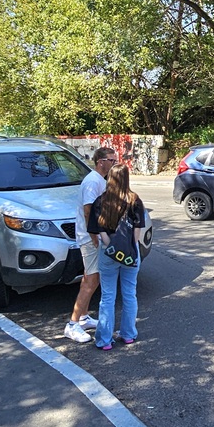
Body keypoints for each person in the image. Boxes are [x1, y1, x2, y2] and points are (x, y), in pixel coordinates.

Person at [87, 162, 146, 351]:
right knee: (129, 294)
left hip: (109, 253)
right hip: (130, 253)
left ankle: (105, 340)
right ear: (127, 178)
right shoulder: (134, 200)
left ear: (109, 178)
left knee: (107, 297)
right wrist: (129, 248)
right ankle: (128, 334)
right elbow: (137, 230)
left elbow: (99, 230)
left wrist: (110, 247)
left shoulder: (101, 201)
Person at [63, 146, 117, 343]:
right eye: (111, 160)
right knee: (91, 280)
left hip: (92, 237)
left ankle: (83, 318)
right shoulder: (92, 182)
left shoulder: (99, 180)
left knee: (90, 277)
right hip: (89, 238)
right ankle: (72, 325)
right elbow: (88, 211)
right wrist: (94, 236)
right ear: (101, 162)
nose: (114, 164)